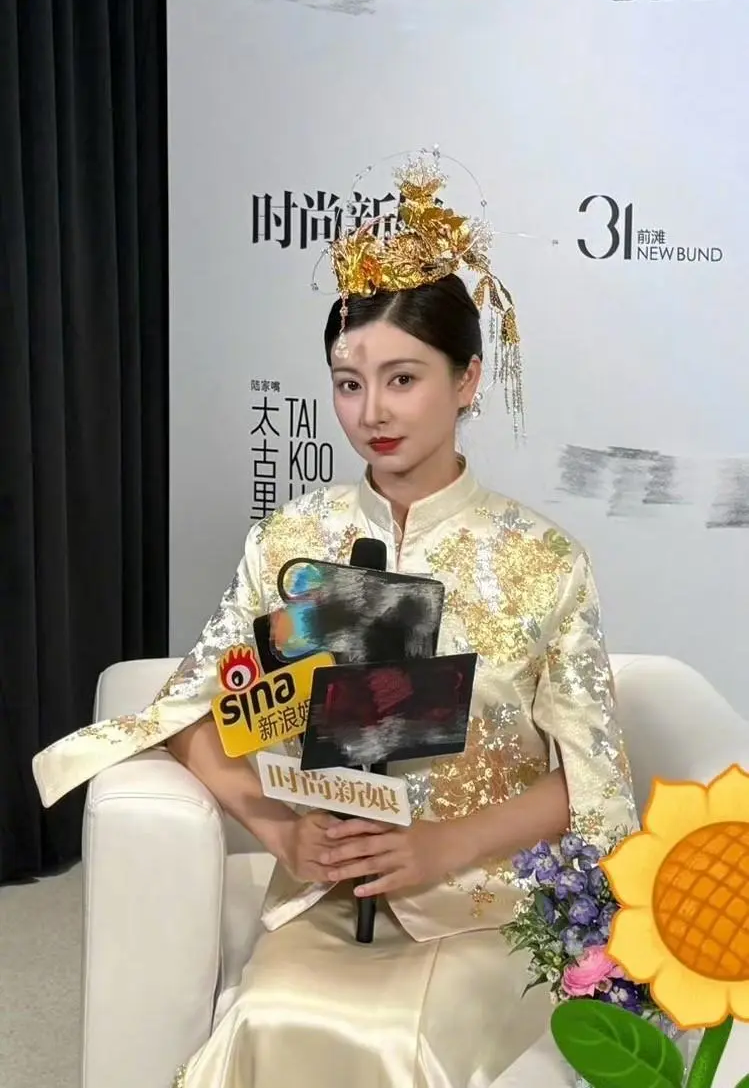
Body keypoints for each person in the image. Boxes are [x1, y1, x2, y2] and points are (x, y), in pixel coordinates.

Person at [32, 151, 639, 1088]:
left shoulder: (543, 558)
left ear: (467, 379)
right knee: (271, 1016)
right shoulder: (291, 541)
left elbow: (589, 779)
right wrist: (280, 831)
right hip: (329, 893)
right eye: (348, 383)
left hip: (485, 905)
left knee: (398, 1046)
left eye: (403, 378)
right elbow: (189, 712)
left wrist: (439, 845)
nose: (371, 412)